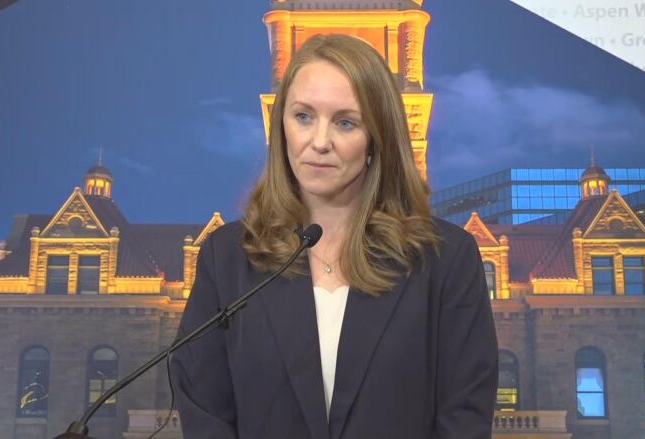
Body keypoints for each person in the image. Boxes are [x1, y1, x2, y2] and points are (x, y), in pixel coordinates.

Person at [171, 34, 498, 439]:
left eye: (345, 122)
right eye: (303, 116)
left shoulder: (446, 259)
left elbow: (463, 418)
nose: (319, 142)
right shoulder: (226, 258)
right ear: (281, 126)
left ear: (376, 138)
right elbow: (206, 414)